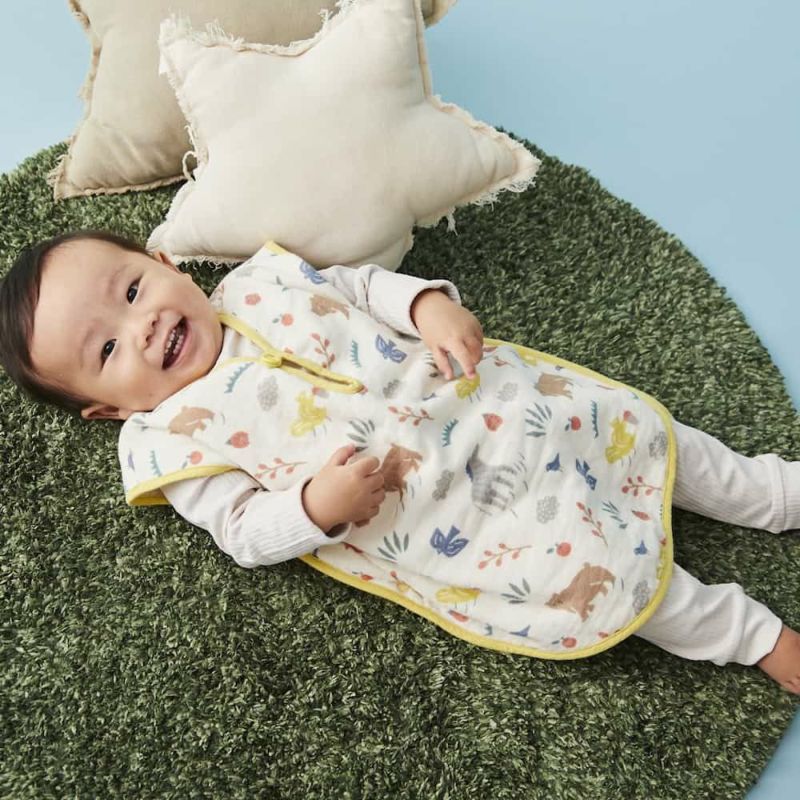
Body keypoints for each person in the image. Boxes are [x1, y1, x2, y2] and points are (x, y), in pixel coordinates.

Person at [1, 229, 799, 692]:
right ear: (109, 411)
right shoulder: (172, 436)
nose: (140, 327)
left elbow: (359, 286)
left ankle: (773, 493)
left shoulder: (258, 282)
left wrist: (427, 304)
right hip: (455, 507)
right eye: (106, 350)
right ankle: (751, 636)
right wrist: (314, 507)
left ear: (167, 263)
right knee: (587, 567)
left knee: (635, 432)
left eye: (132, 291)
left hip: (494, 402)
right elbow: (243, 530)